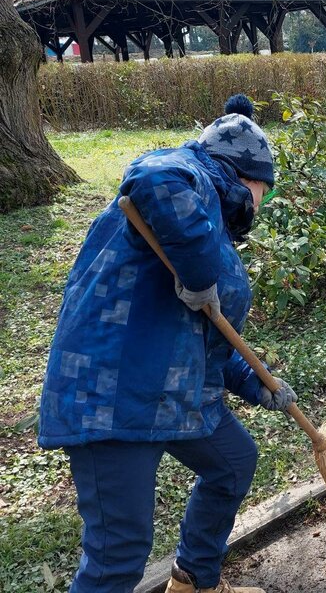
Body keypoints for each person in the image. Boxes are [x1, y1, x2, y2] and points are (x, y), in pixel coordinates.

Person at [38, 94, 297, 593]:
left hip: (170, 394)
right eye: (265, 190)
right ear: (247, 178)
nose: (261, 204)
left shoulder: (206, 218)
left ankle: (193, 582)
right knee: (120, 555)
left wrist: (256, 383)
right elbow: (151, 179)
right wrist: (202, 274)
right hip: (114, 398)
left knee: (233, 462)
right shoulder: (190, 173)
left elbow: (206, 337)